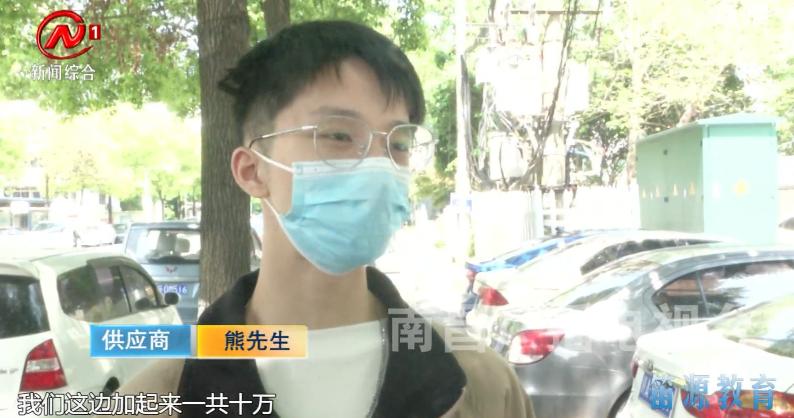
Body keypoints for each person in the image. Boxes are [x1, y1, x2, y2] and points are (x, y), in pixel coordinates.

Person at [119, 20, 534, 418]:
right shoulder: (158, 398)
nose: (377, 164)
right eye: (338, 136)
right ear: (252, 171)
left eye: (399, 143)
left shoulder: (481, 386)